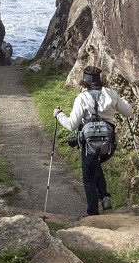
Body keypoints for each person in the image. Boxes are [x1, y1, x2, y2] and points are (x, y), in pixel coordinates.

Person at [53, 66, 133, 216]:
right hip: (108, 144)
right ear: (101, 80)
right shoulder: (111, 94)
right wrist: (124, 102)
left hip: (89, 142)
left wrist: (59, 115)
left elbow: (71, 125)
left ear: (84, 82)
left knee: (88, 176)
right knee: (95, 165)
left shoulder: (82, 98)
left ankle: (93, 214)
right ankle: (104, 196)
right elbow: (128, 112)